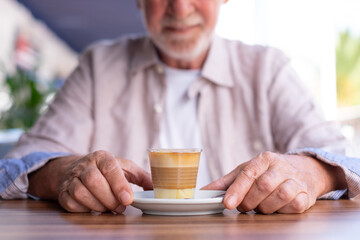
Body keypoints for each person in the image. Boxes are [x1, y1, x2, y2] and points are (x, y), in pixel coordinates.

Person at [1, 0, 359, 214]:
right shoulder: (99, 68)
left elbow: (349, 163)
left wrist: (311, 172)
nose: (180, 7)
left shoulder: (267, 70)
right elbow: (14, 168)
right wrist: (64, 173)